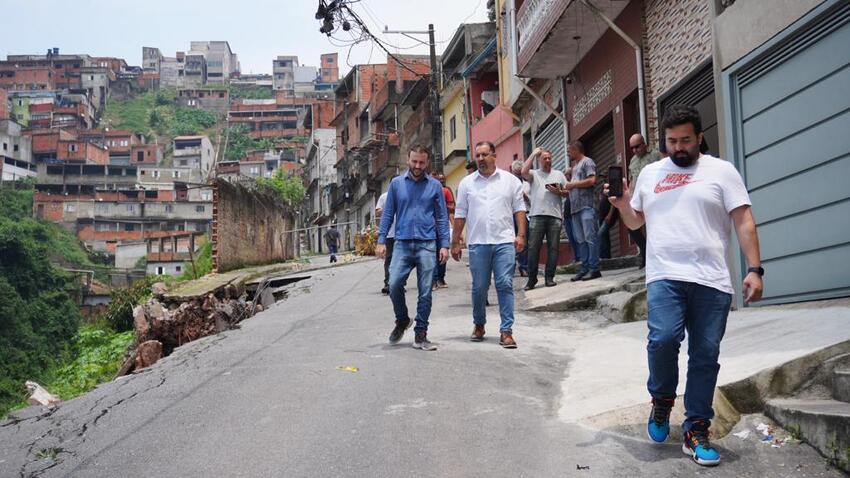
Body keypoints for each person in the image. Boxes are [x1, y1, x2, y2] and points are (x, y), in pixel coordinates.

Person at [607, 105, 764, 467]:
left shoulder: (721, 171)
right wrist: (620, 204)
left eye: (686, 140)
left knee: (705, 356)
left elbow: (744, 221)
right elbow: (636, 220)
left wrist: (755, 268)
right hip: (664, 275)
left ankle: (696, 429)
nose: (679, 147)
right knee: (662, 339)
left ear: (700, 137)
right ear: (664, 139)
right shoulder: (650, 173)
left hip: (711, 280)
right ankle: (662, 400)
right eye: (672, 140)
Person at [452, 141, 526, 348]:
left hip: (504, 241)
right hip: (478, 243)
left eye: (485, 155)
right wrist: (455, 242)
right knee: (479, 287)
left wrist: (521, 235)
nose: (481, 159)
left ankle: (506, 331)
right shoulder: (467, 183)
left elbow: (519, 209)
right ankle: (479, 324)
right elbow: (460, 214)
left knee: (504, 284)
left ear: (494, 156)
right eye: (478, 156)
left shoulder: (510, 181)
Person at [376, 144, 450, 351]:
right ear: (408, 160)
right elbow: (388, 214)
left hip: (427, 244)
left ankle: (421, 333)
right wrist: (381, 241)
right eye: (414, 161)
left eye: (422, 162)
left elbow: (442, 217)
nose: (417, 166)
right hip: (402, 243)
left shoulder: (435, 186)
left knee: (425, 291)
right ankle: (402, 320)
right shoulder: (397, 184)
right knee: (394, 284)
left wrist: (444, 245)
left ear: (427, 163)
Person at [521, 147, 567, 290]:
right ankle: (532, 279)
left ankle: (549, 277)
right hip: (536, 215)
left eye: (549, 158)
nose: (547, 160)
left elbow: (567, 193)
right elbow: (523, 172)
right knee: (533, 249)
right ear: (539, 161)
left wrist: (559, 191)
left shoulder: (559, 174)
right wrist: (533, 153)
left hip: (555, 216)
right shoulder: (534, 174)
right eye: (544, 158)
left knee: (553, 248)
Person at [565, 141, 601, 281]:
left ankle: (594, 268)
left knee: (590, 238)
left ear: (575, 149)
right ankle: (584, 268)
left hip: (587, 206)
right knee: (581, 240)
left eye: (569, 151)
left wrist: (573, 184)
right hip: (575, 209)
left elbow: (592, 180)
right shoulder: (574, 168)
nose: (568, 153)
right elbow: (573, 188)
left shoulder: (588, 162)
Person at [627, 133, 660, 268]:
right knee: (632, 227)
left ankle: (654, 256)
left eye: (637, 147)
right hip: (637, 199)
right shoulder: (633, 161)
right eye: (632, 148)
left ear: (644, 144)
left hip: (654, 197)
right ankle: (645, 251)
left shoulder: (655, 155)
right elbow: (631, 181)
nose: (635, 150)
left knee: (654, 227)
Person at [432, 172, 455, 290]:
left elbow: (452, 208)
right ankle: (435, 279)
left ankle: (438, 279)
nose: (441, 181)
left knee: (441, 253)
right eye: (438, 179)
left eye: (442, 180)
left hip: (441, 225)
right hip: (431, 227)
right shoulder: (429, 190)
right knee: (435, 253)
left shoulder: (445, 191)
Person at [511, 159, 531, 277]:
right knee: (511, 241)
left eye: (519, 172)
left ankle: (524, 267)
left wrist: (525, 196)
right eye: (516, 172)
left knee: (523, 240)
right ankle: (511, 266)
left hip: (525, 214)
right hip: (512, 215)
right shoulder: (510, 182)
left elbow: (532, 198)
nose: (517, 175)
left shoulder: (528, 182)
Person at [375, 191, 395, 294]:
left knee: (401, 260)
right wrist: (388, 209)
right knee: (389, 259)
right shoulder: (384, 196)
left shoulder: (404, 193)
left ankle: (398, 283)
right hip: (389, 234)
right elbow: (377, 211)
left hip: (402, 234)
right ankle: (388, 283)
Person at [597, 187, 619, 259]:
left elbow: (614, 202)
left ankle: (602, 256)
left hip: (608, 216)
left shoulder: (610, 186)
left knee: (600, 234)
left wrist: (610, 215)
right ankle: (607, 257)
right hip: (602, 216)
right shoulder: (602, 189)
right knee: (605, 236)